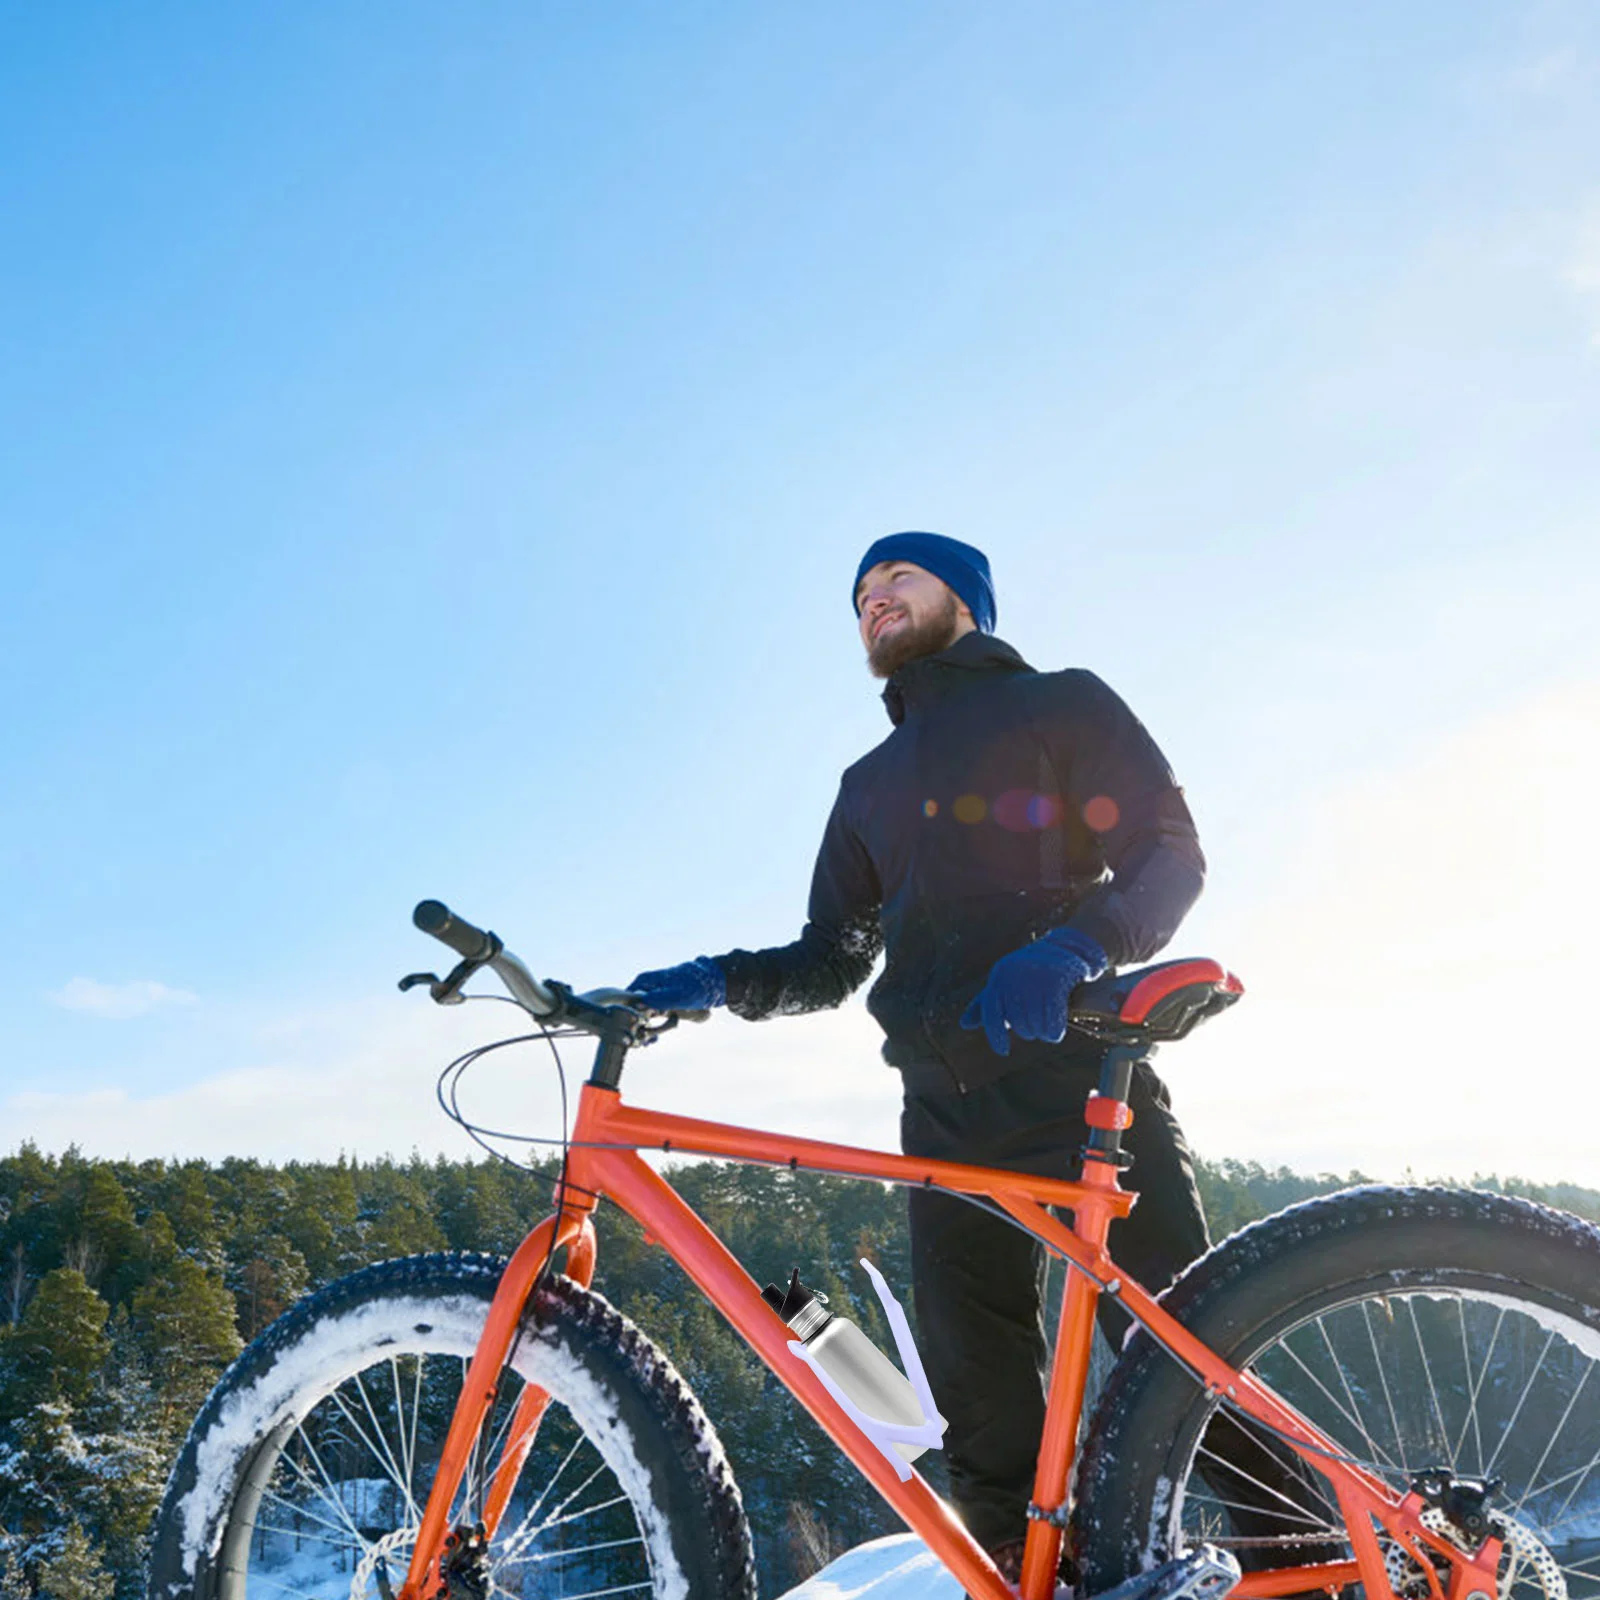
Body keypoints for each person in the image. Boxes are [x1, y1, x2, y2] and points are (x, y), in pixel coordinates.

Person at [630, 532, 1210, 1579]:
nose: (872, 599)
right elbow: (828, 958)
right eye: (858, 593)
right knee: (980, 1411)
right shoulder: (868, 784)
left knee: (1189, 1358)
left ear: (968, 599)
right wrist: (715, 980)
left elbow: (1169, 854)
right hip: (940, 1114)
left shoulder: (1059, 703)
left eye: (897, 576)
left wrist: (1078, 946)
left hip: (1075, 1076)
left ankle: (1329, 1556)